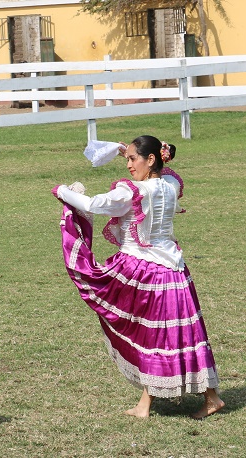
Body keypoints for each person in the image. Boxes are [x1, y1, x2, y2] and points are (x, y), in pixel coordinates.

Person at [52, 135, 224, 420]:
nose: (128, 164)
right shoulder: (171, 184)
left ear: (151, 159)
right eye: (127, 158)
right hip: (175, 271)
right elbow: (163, 174)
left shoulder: (131, 192)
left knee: (154, 337)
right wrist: (134, 151)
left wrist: (62, 191)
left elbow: (93, 203)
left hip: (146, 271)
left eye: (133, 159)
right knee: (180, 336)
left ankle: (197, 399)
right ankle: (194, 399)